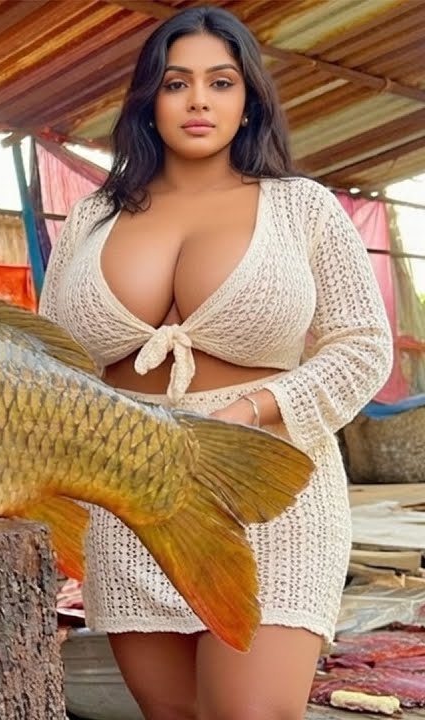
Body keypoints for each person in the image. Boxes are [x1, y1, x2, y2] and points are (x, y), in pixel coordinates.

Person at [39, 6, 393, 719]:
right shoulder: (91, 217)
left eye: (221, 82)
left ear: (249, 99)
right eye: (177, 83)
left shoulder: (304, 208)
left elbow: (361, 347)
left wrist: (247, 414)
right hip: (132, 492)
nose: (199, 100)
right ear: (149, 98)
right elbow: (47, 363)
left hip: (266, 486)